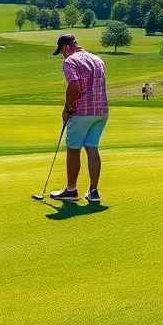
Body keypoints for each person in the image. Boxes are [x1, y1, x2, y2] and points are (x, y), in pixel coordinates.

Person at [50, 33, 108, 203]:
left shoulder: (70, 61)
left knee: (73, 149)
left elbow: (74, 86)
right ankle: (94, 191)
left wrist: (67, 108)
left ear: (66, 47)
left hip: (82, 112)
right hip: (101, 112)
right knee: (92, 148)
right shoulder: (97, 59)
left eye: (62, 51)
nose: (63, 55)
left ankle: (71, 190)